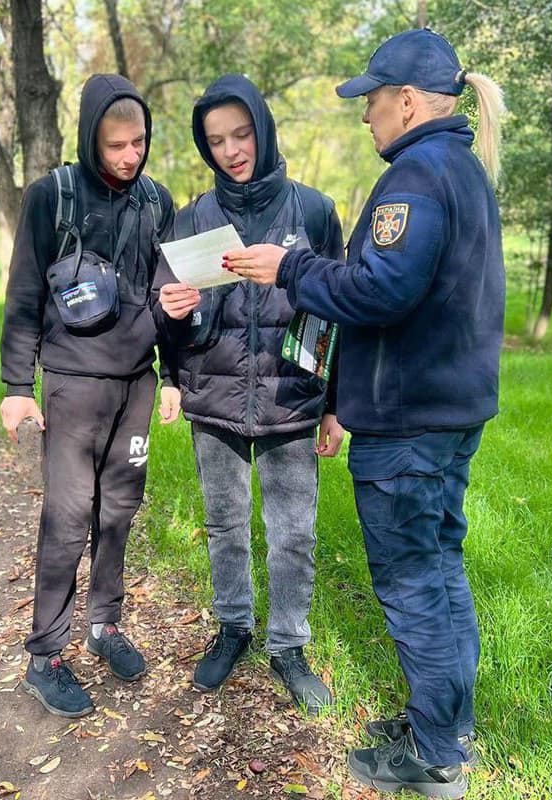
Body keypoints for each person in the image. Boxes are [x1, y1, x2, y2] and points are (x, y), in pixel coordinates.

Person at [223, 28, 506, 799]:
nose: (365, 117)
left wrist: (292, 267)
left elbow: (379, 290)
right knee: (441, 569)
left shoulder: (416, 177)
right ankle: (444, 720)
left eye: (372, 102)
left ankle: (437, 759)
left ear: (407, 102)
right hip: (446, 413)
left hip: (411, 423)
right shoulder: (462, 170)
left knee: (416, 580)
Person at [155, 74, 345, 715]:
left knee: (293, 532)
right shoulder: (191, 220)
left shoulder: (313, 211)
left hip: (293, 400)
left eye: (241, 134)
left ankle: (289, 645)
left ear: (262, 131)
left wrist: (335, 405)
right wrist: (172, 325)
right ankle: (232, 629)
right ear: (205, 149)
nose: (232, 150)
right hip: (215, 403)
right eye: (217, 141)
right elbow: (167, 318)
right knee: (225, 526)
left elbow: (338, 311)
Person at [0, 74, 175, 719]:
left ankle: (104, 626)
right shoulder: (53, 197)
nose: (130, 156)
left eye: (140, 142)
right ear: (89, 137)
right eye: (116, 145)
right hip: (73, 384)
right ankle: (45, 654)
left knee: (119, 511)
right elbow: (23, 295)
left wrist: (175, 369)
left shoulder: (158, 201)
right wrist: (19, 385)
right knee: (69, 517)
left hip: (136, 383)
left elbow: (167, 296)